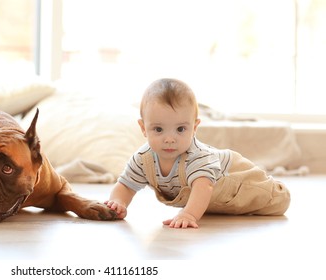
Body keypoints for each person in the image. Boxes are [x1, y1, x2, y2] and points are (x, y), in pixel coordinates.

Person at [105, 78, 290, 229]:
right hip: (216, 202)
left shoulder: (198, 156)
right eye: (159, 129)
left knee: (277, 201)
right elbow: (126, 186)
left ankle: (277, 188)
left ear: (194, 127)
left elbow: (204, 188)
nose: (169, 139)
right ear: (143, 128)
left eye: (180, 129)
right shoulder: (143, 159)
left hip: (236, 177)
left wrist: (188, 213)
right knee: (213, 205)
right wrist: (118, 202)